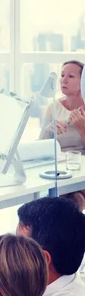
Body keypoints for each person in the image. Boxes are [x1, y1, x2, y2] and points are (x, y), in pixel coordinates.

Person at [40, 60, 85, 210]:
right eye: (62, 75)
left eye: (71, 76)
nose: (63, 80)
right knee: (71, 199)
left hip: (80, 171)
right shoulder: (53, 107)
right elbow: (40, 144)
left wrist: (82, 128)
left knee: (75, 199)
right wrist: (49, 130)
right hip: (58, 171)